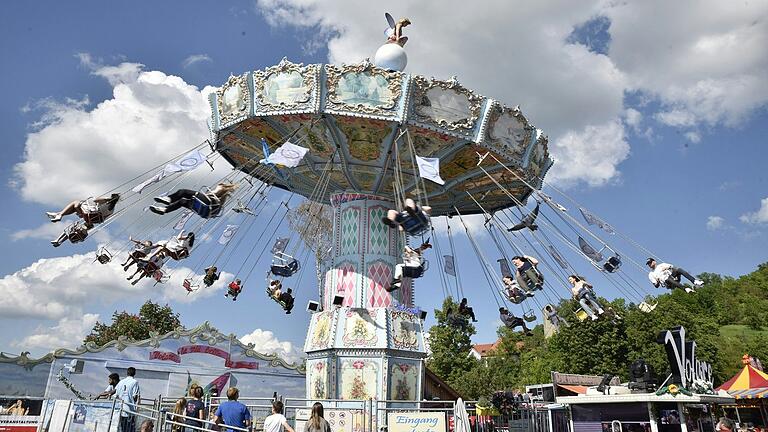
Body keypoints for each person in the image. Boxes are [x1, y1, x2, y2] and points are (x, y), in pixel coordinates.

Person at [150, 183, 238, 218]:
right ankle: (164, 209)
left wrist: (218, 187)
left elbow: (215, 191)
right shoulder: (221, 202)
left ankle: (169, 199)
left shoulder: (219, 191)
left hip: (206, 203)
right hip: (204, 211)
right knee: (182, 202)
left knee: (183, 192)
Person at [46, 193, 120, 224]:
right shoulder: (112, 210)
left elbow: (95, 200)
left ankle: (60, 214)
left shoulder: (106, 202)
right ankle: (58, 214)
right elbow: (103, 218)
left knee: (76, 202)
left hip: (89, 213)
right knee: (75, 208)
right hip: (90, 219)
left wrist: (107, 198)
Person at [115, 367, 141, 432]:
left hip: (121, 409)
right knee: (130, 429)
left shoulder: (121, 382)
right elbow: (135, 397)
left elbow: (116, 393)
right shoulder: (135, 382)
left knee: (123, 429)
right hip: (130, 411)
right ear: (134, 373)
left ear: (127, 373)